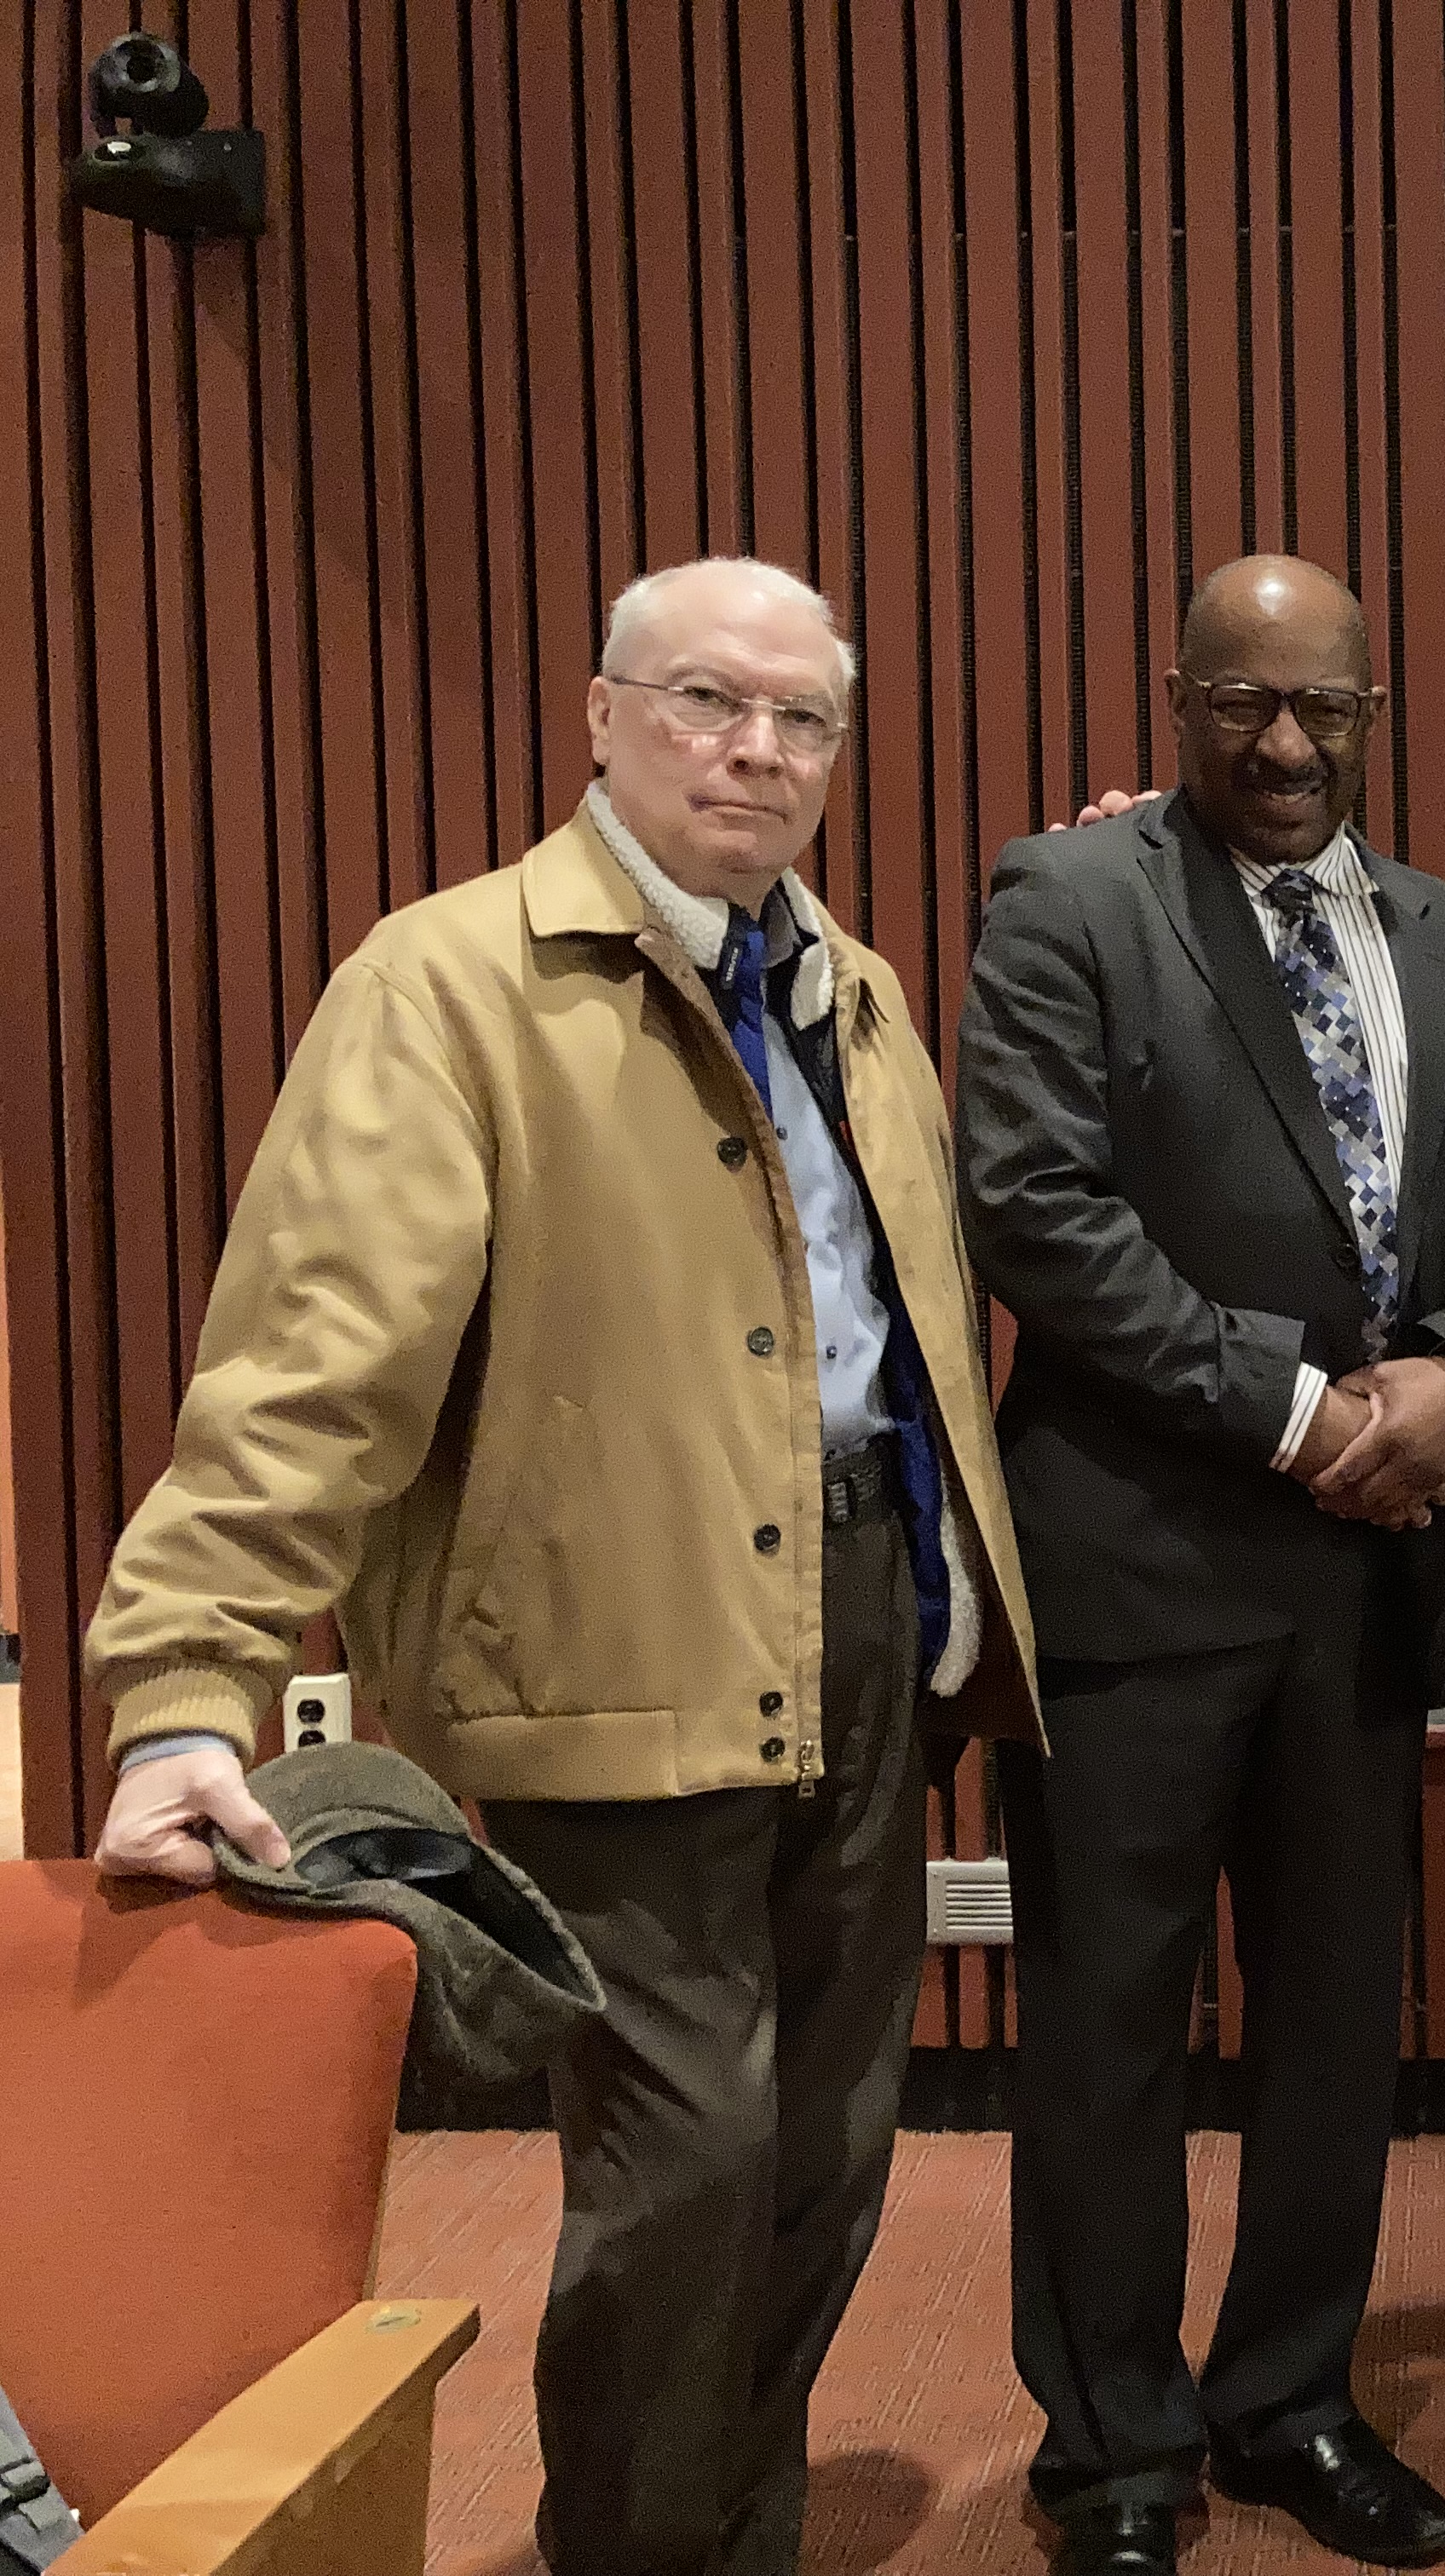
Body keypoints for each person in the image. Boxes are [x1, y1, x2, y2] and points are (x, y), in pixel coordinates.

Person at [81, 556, 1043, 2576]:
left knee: (833, 2156)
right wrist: (189, 1679)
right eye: (706, 700)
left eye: (800, 721)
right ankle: (641, 2545)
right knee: (687, 2166)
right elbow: (305, 1367)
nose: (755, 751)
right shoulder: (446, 987)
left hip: (871, 1631)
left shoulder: (854, 995)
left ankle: (730, 2530)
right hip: (620, 1654)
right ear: (600, 716)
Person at [959, 556, 1445, 2575]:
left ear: (1375, 707)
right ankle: (1116, 2459)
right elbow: (1034, 1214)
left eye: (1326, 706)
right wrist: (1308, 1408)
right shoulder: (1072, 905)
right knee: (1111, 2025)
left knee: (1334, 2022)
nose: (1288, 745)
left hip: (1376, 1571)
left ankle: (1291, 2404)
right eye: (1243, 705)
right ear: (1179, 697)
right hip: (1142, 1561)